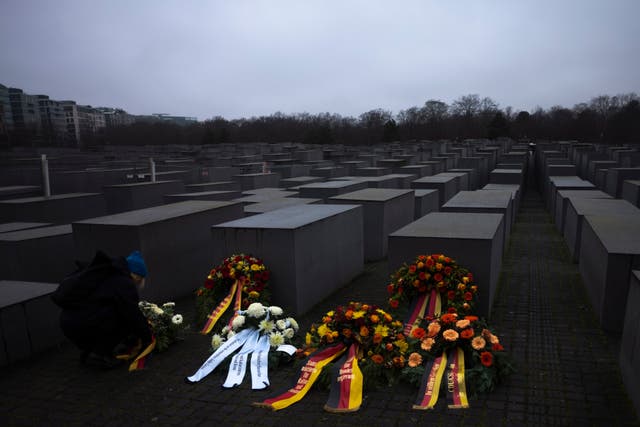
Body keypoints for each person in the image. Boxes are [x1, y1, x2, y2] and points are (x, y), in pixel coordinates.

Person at [52, 250, 152, 369]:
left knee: (109, 314)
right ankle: (99, 356)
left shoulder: (109, 274)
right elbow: (132, 314)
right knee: (122, 319)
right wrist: (147, 336)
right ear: (137, 275)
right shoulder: (123, 282)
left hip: (69, 323)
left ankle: (90, 354)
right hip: (84, 324)